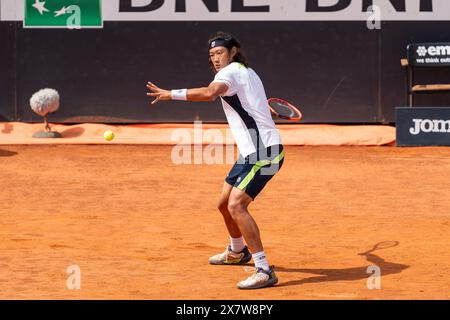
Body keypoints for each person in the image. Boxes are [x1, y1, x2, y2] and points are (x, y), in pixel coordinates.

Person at [146, 31, 284, 290]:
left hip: (264, 153)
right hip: (250, 152)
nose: (216, 58)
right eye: (212, 55)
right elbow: (252, 103)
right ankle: (237, 251)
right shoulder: (248, 72)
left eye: (220, 52)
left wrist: (170, 94)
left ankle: (264, 269)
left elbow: (211, 93)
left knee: (237, 206)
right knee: (223, 204)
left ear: (232, 52)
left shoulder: (229, 73)